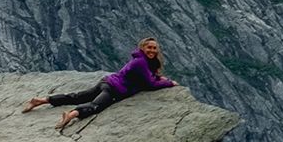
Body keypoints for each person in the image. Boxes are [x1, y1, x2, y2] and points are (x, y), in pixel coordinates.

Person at [25, 38, 177, 131]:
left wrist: (160, 79)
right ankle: (70, 115)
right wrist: (169, 83)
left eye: (154, 48)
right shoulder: (141, 62)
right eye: (149, 47)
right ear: (142, 48)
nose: (151, 50)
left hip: (107, 82)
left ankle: (42, 100)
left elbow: (147, 78)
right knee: (95, 106)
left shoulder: (142, 61)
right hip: (114, 89)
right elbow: (150, 83)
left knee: (77, 96)